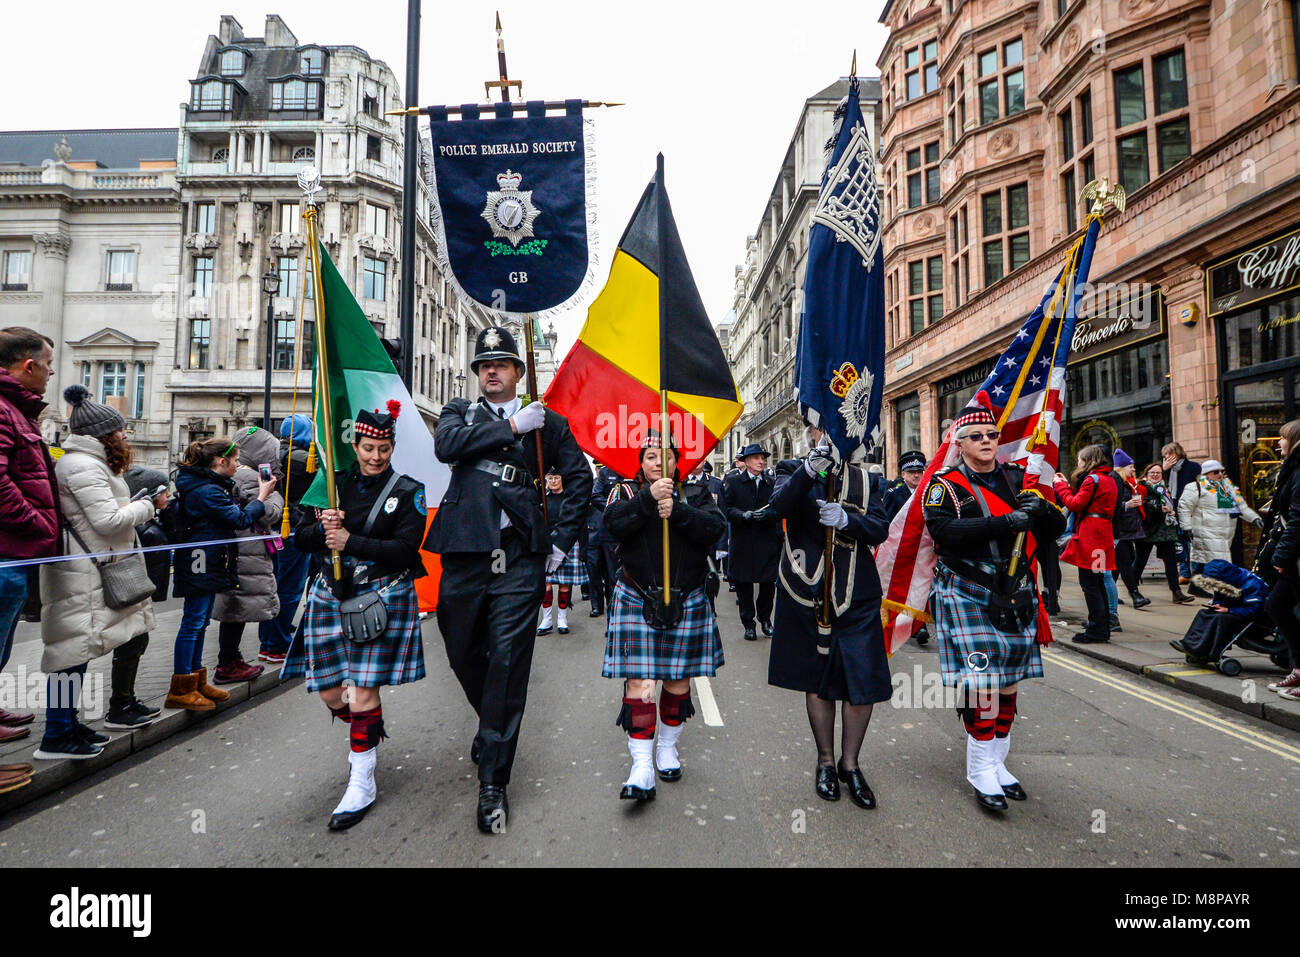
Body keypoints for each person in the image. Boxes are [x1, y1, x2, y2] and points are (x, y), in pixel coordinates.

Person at [426, 326, 592, 834]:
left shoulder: (550, 422)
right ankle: (490, 722)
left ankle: (494, 778)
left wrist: (561, 540)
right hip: (464, 550)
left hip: (519, 555)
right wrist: (512, 428)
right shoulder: (461, 413)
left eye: (500, 363)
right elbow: (446, 447)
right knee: (461, 651)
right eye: (483, 365)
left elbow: (580, 478)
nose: (490, 371)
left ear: (519, 371)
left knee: (507, 661)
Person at [283, 401, 427, 830]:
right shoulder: (332, 486)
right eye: (368, 447)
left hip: (380, 595)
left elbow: (405, 550)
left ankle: (361, 779)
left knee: (363, 691)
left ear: (392, 446)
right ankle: (367, 731)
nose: (375, 456)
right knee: (331, 694)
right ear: (356, 444)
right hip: (330, 593)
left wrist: (350, 540)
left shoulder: (408, 490)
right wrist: (323, 528)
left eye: (383, 448)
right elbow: (301, 541)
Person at [923, 406, 1064, 812]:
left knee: (1008, 682)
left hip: (1015, 588)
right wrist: (1005, 524)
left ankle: (997, 763)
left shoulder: (1021, 479)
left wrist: (1044, 511)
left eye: (991, 434)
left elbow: (1054, 531)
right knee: (983, 680)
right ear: (959, 444)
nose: (987, 440)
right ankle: (980, 769)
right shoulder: (944, 485)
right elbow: (943, 531)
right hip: (967, 587)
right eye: (977, 436)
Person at [34, 387, 166, 758]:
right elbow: (108, 521)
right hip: (81, 573)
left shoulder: (89, 464)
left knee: (78, 653)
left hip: (92, 567)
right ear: (103, 435)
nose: (125, 436)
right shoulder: (82, 465)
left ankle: (68, 724)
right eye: (119, 431)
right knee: (69, 655)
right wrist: (147, 507)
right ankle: (56, 735)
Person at [768, 422, 891, 809]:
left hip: (858, 595)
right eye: (823, 430)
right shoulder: (792, 468)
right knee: (818, 679)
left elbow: (880, 529)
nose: (831, 438)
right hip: (807, 590)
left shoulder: (869, 480)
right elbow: (779, 507)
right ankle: (824, 760)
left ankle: (850, 763)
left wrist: (848, 520)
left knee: (861, 681)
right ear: (812, 432)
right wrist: (810, 470)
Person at [602, 431, 725, 802]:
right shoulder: (625, 492)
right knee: (640, 683)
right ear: (641, 462)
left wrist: (680, 510)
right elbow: (612, 526)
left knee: (677, 681)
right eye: (652, 456)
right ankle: (641, 767)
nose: (659, 462)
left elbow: (715, 529)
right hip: (638, 597)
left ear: (677, 463)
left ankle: (666, 749)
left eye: (667, 456)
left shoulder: (697, 493)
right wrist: (647, 500)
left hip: (686, 599)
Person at [168, 436, 276, 710]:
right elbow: (238, 519)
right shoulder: (207, 491)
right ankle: (181, 685)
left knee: (201, 620)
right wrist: (262, 497)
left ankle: (195, 678)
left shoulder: (210, 486)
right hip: (200, 560)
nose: (238, 465)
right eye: (236, 460)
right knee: (193, 622)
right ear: (221, 461)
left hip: (208, 559)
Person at [0, 328, 57, 743]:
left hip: (15, 551)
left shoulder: (17, 409)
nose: (51, 373)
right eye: (49, 365)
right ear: (29, 365)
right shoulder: (4, 410)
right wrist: (38, 522)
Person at [211, 425, 286, 683]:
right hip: (246, 554)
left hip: (235, 552)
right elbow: (269, 512)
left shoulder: (231, 476)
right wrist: (276, 496)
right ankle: (228, 662)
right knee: (236, 610)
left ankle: (230, 659)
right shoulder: (253, 479)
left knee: (233, 609)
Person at [260, 412, 314, 662]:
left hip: (276, 529)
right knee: (290, 589)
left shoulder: (271, 455)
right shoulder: (303, 458)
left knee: (275, 586)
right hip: (293, 529)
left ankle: (268, 640)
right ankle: (277, 644)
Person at [1053, 445, 1118, 644]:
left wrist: (1060, 486)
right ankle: (1101, 625)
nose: (1078, 462)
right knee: (1098, 583)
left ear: (1089, 460)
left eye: (1081, 459)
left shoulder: (1092, 479)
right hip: (1103, 533)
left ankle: (1097, 630)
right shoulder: (1109, 479)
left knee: (1090, 584)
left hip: (1091, 534)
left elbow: (1074, 504)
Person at [722, 443, 780, 641]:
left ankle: (765, 619)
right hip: (743, 541)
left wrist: (768, 515)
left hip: (766, 541)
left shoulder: (771, 482)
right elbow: (727, 509)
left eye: (763, 458)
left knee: (767, 585)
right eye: (756, 458)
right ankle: (748, 624)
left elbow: (779, 508)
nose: (761, 461)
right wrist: (742, 515)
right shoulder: (734, 482)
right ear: (746, 462)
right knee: (744, 585)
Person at [1260, 419, 1300, 698]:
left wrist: (1282, 555)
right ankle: (1298, 670)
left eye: (1282, 437)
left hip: (1295, 556)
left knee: (1280, 605)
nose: (1278, 442)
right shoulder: (1293, 468)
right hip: (1292, 556)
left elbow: (1298, 519)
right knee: (1276, 605)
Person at [1178, 460, 1262, 585]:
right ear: (1206, 474)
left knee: (1210, 563)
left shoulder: (1229, 488)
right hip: (1206, 531)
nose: (1220, 475)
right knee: (1217, 563)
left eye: (1222, 471)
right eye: (1216, 472)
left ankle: (1201, 587)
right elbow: (1184, 507)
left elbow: (1241, 507)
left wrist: (1254, 518)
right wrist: (1186, 527)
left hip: (1225, 534)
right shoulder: (1195, 487)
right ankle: (1216, 591)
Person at [1169, 560, 1269, 663]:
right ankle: (1190, 645)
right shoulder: (1229, 580)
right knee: (1204, 613)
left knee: (1220, 618)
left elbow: (1255, 610)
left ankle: (1207, 651)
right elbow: (1221, 597)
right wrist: (1218, 604)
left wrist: (1229, 610)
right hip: (1237, 611)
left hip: (1253, 621)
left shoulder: (1252, 584)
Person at [1134, 462, 1193, 604]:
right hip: (1148, 529)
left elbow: (1171, 504)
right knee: (1140, 561)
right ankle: (1133, 590)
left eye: (1158, 473)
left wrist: (1172, 511)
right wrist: (1159, 508)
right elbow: (1142, 505)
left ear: (1162, 475)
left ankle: (1176, 592)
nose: (1155, 475)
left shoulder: (1164, 488)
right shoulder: (1141, 487)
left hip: (1165, 530)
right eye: (1152, 473)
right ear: (1146, 474)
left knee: (1171, 562)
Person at [537, 467, 587, 635]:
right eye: (550, 478)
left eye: (556, 477)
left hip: (569, 544)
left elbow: (579, 524)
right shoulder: (543, 500)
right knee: (547, 585)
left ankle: (562, 619)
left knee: (565, 585)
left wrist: (584, 549)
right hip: (547, 544)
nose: (553, 481)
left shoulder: (570, 500)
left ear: (562, 479)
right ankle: (547, 620)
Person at [1111, 450, 1152, 610]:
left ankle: (1111, 593)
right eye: (1131, 467)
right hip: (1119, 529)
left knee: (1120, 563)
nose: (1134, 470)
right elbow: (1111, 504)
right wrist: (1126, 505)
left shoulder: (1124, 482)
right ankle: (1135, 595)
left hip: (1125, 529)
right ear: (1121, 468)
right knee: (1125, 561)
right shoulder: (1116, 481)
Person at [1163, 441, 1201, 582]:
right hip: (1173, 510)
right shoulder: (1166, 470)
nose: (1166, 457)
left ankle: (1196, 573)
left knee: (1192, 541)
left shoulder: (1192, 467)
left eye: (1169, 454)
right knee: (1179, 543)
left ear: (1177, 453)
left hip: (1190, 509)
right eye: (1165, 455)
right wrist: (1164, 469)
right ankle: (1184, 573)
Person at [586, 463, 620, 617]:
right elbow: (594, 498)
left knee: (612, 575)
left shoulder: (629, 472)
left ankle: (612, 611)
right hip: (593, 534)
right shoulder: (602, 476)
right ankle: (596, 606)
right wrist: (612, 508)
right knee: (593, 573)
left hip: (612, 534)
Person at [884, 451, 926, 521]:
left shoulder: (928, 492)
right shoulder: (893, 495)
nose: (916, 475)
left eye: (919, 472)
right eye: (912, 472)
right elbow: (887, 521)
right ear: (903, 474)